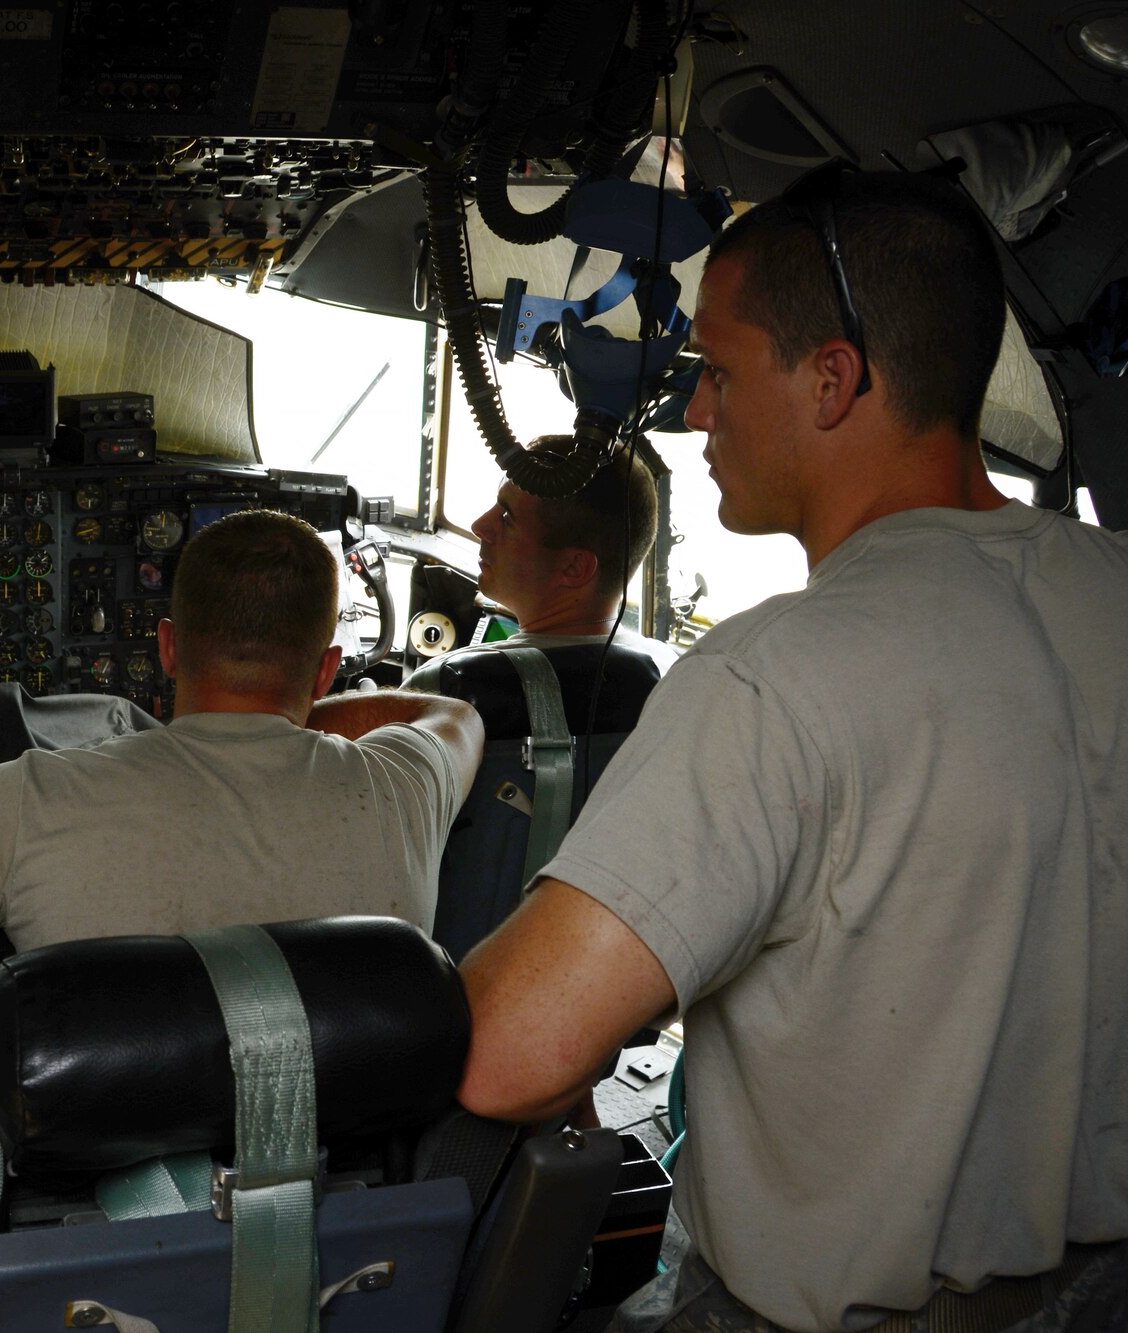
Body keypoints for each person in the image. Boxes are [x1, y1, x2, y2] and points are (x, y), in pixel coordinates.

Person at [454, 169, 1127, 1332]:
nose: (693, 416)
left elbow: (509, 1055)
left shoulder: (772, 675)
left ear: (832, 378)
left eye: (716, 372)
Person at [0, 509, 485, 974]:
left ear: (166, 648)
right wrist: (292, 714)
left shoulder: (25, 802)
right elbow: (450, 716)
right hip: (353, 1186)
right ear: (326, 667)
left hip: (97, 1209)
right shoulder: (405, 786)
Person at [466, 435, 674, 663]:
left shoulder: (454, 678)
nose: (479, 526)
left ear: (574, 567)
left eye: (506, 517)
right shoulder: (667, 664)